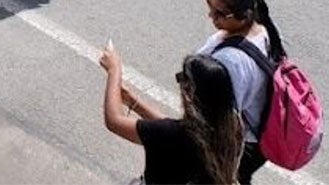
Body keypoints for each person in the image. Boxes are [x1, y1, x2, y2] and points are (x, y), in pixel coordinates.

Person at [101, 47, 244, 185]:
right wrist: (133, 101)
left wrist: (114, 70)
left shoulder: (172, 134)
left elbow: (114, 121)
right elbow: (170, 127)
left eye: (181, 78)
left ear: (190, 93)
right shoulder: (231, 131)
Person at [201, 0, 288, 183]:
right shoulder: (265, 31)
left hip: (242, 145)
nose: (211, 16)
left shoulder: (231, 60)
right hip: (261, 135)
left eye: (220, 14)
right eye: (209, 6)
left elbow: (227, 117)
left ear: (242, 16)